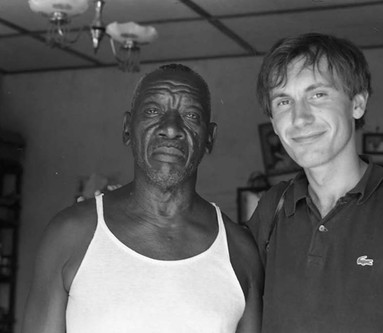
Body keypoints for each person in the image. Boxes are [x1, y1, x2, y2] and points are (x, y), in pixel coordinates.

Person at [247, 32, 383, 332]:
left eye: (318, 95)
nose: (300, 118)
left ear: (357, 104)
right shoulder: (272, 209)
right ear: (274, 122)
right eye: (284, 101)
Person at [22, 64, 263, 333]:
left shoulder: (239, 251)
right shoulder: (71, 233)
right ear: (127, 129)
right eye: (152, 111)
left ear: (210, 138)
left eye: (191, 115)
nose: (171, 128)